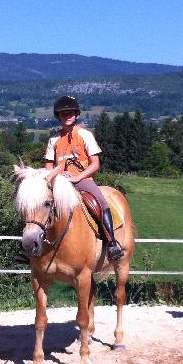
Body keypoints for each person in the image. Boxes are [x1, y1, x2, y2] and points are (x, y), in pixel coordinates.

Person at [44, 95, 125, 261]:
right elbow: (48, 167)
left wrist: (76, 177)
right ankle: (28, 247)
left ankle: (111, 242)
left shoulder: (85, 135)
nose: (67, 116)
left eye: (70, 113)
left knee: (100, 202)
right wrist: (57, 178)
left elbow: (95, 164)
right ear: (58, 116)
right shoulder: (53, 139)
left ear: (76, 114)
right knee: (36, 205)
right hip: (58, 182)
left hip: (83, 180)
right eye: (63, 113)